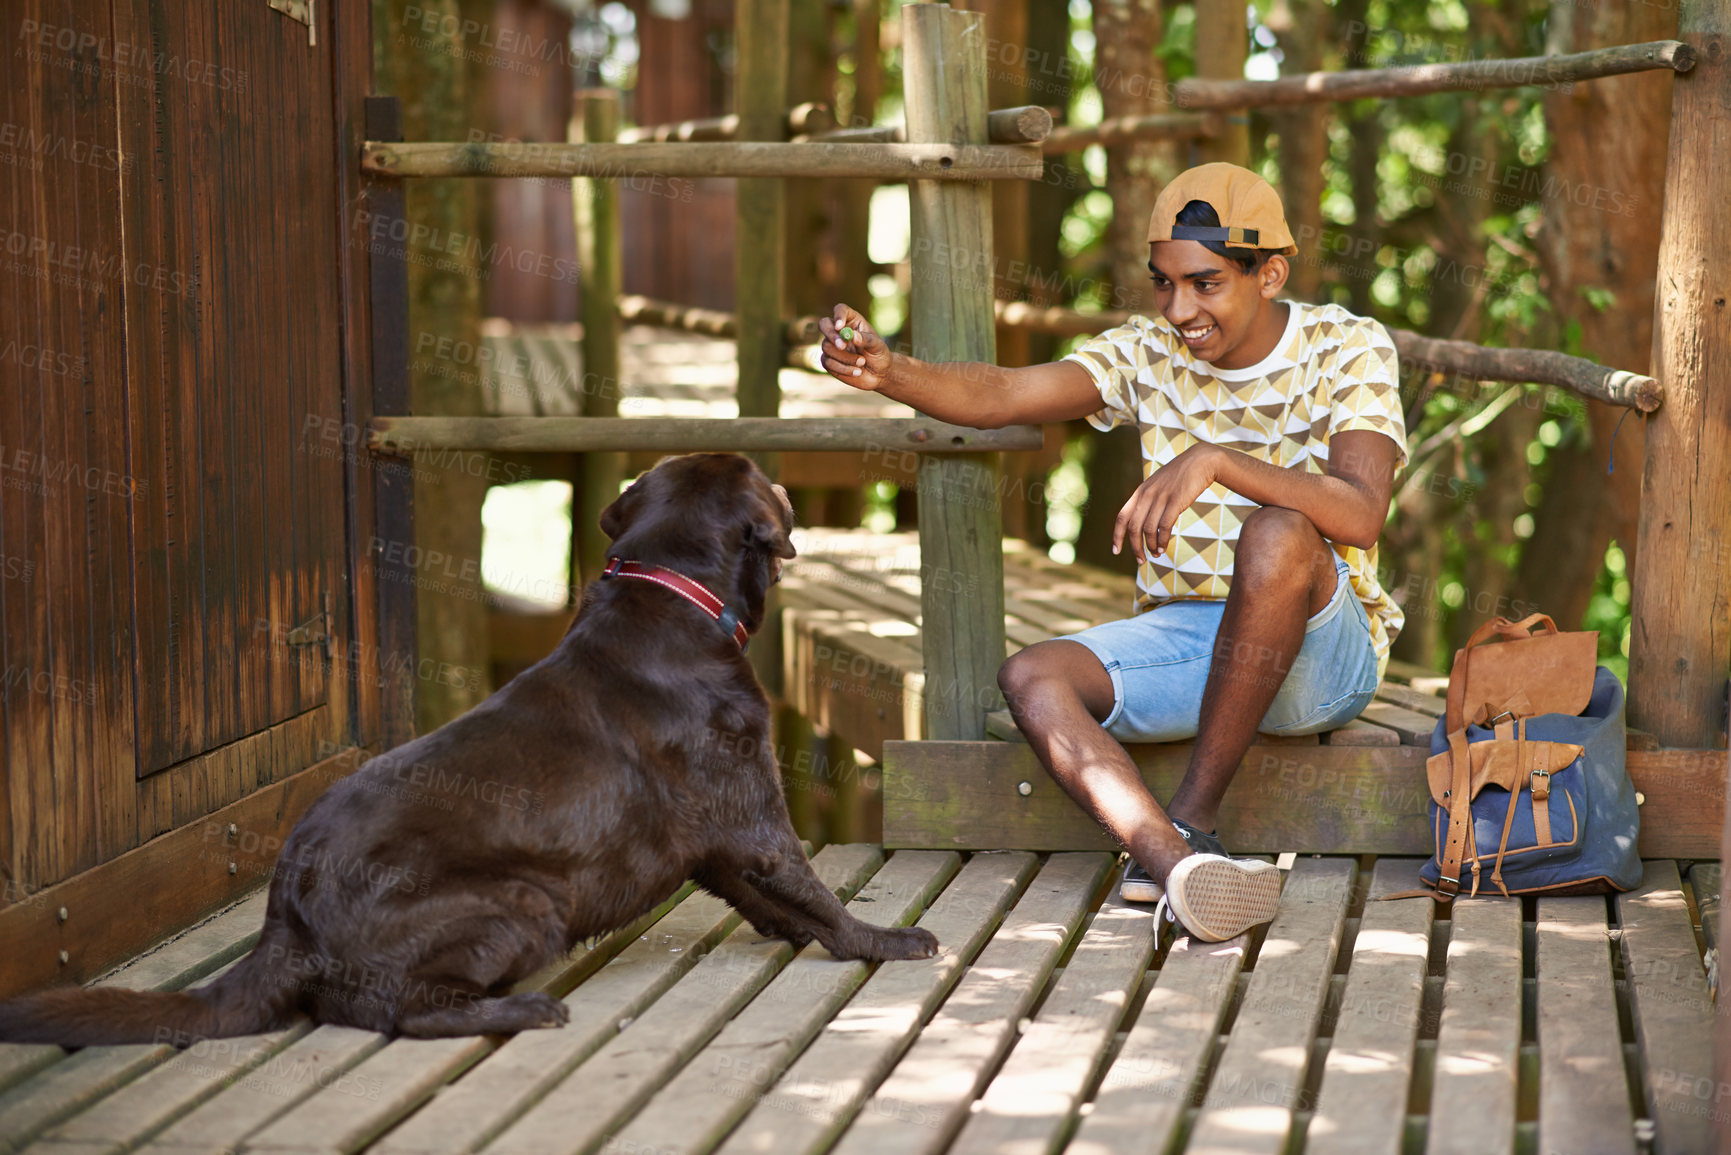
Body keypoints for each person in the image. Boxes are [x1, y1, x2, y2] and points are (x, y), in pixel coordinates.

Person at [816, 163, 1407, 942]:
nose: (1178, 308)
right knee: (1031, 676)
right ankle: (1175, 864)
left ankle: (1190, 818)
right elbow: (1001, 393)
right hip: (1198, 643)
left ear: (1269, 274)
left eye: (1203, 284)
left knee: (1277, 530)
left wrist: (1215, 460)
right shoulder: (1147, 351)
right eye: (1162, 284)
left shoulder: (1346, 345)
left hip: (1322, 658)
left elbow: (1360, 514)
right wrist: (893, 372)